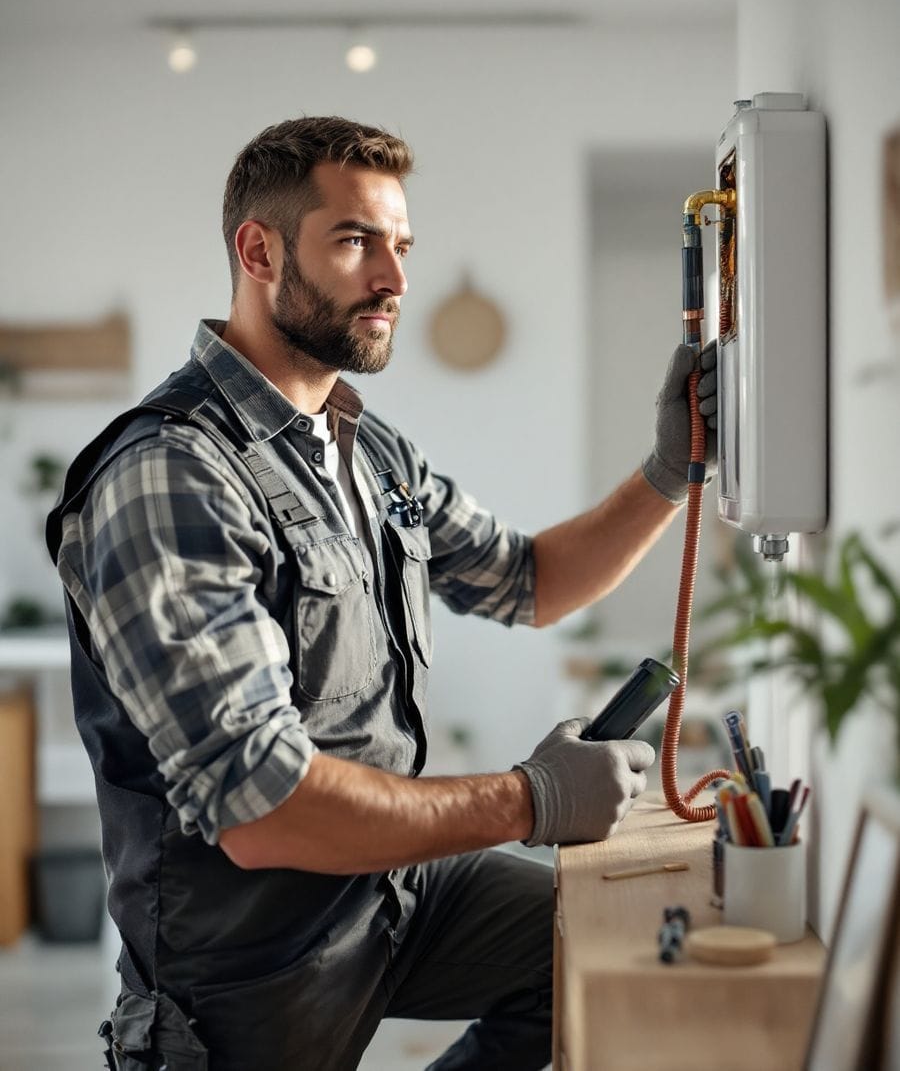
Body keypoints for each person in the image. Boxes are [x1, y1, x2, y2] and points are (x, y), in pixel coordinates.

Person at [47, 116, 717, 1071]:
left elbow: (530, 580)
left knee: (600, 947)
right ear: (259, 252)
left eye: (401, 245)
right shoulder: (172, 472)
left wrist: (666, 471)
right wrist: (531, 799)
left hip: (388, 895)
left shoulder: (370, 451)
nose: (395, 277)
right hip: (243, 973)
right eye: (356, 241)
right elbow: (261, 805)